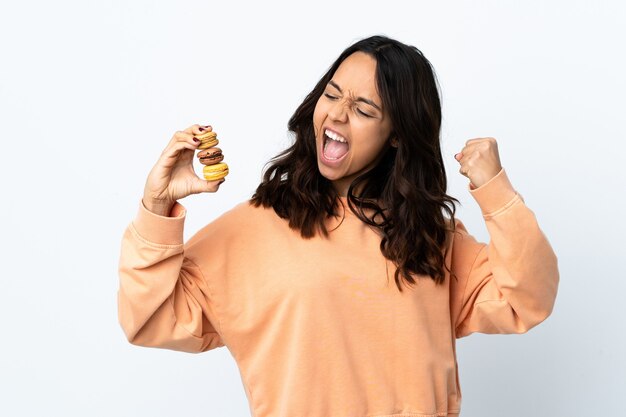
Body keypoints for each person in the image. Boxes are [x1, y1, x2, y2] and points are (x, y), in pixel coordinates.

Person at [117, 35, 559, 417]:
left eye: (365, 109)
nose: (338, 115)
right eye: (332, 94)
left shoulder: (429, 237)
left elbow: (528, 299)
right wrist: (157, 206)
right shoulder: (253, 229)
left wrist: (497, 193)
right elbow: (150, 320)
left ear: (398, 134)